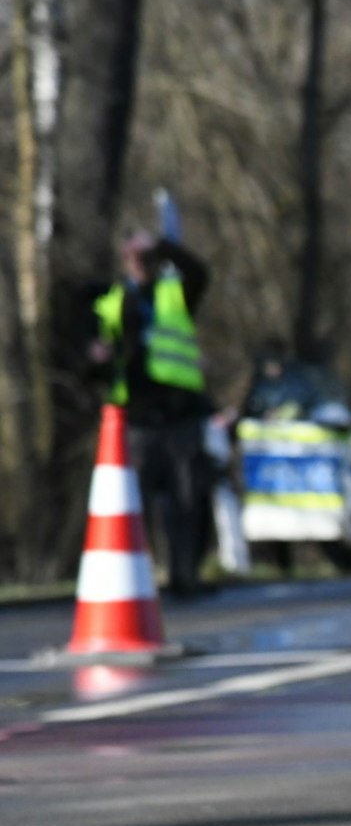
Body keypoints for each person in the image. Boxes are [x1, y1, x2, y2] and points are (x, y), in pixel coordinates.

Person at [92, 231, 214, 598]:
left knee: (187, 499)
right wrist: (95, 358)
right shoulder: (113, 302)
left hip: (180, 413)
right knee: (134, 503)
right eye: (134, 258)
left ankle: (184, 575)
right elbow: (97, 357)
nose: (139, 264)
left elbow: (199, 272)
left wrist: (163, 244)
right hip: (137, 418)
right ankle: (137, 579)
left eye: (146, 258)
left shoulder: (175, 292)